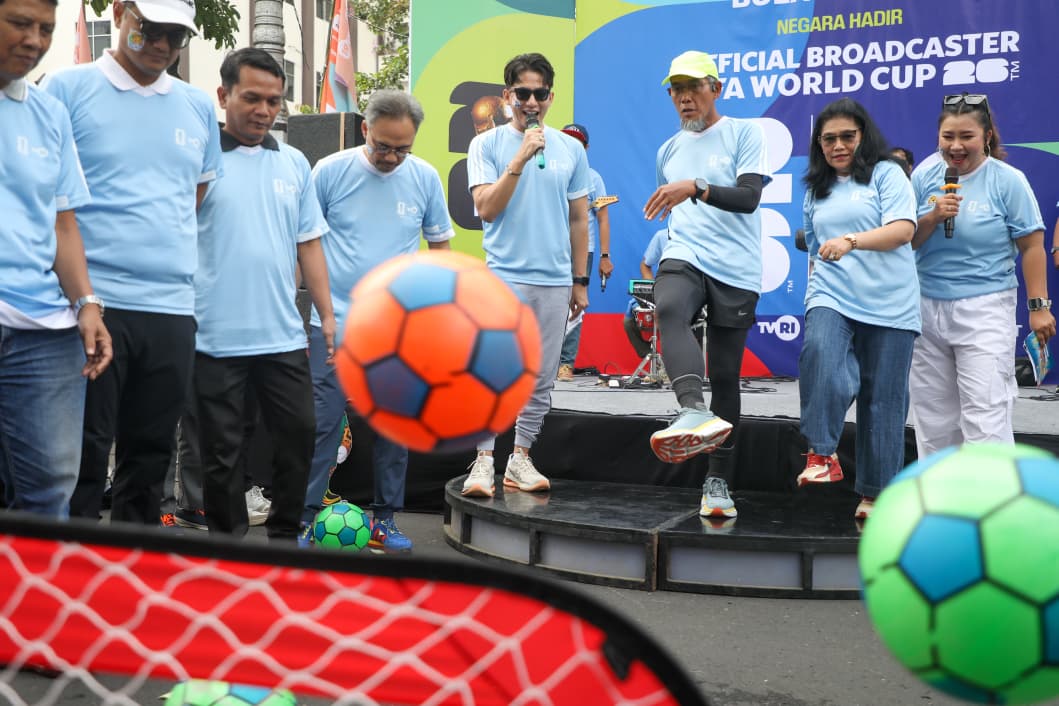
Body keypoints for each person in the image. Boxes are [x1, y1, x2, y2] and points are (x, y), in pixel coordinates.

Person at [43, 0, 223, 525]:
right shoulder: (66, 89)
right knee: (82, 452)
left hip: (170, 308)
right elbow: (50, 202)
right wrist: (83, 294)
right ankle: (68, 575)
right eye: (152, 30)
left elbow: (194, 192)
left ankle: (130, 579)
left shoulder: (194, 107)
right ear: (120, 12)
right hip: (90, 303)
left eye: (177, 36)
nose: (164, 45)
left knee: (150, 455)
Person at [188, 48, 333, 541]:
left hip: (283, 335)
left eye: (274, 101)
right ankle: (228, 552)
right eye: (252, 98)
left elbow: (309, 243)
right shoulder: (199, 159)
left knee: (298, 439)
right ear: (223, 95)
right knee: (223, 455)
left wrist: (328, 316)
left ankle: (283, 543)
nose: (264, 111)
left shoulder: (294, 162)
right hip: (212, 337)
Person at [307, 89, 454, 552]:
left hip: (396, 329)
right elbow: (306, 245)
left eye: (403, 149)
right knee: (323, 425)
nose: (392, 157)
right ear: (365, 128)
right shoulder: (330, 172)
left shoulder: (425, 178)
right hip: (330, 323)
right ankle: (307, 517)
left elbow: (440, 252)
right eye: (383, 146)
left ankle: (385, 520)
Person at [641, 50, 770, 519]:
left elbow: (750, 198)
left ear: (716, 89)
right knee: (669, 306)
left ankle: (718, 482)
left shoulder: (742, 132)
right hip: (686, 252)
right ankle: (691, 408)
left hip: (736, 267)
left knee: (727, 376)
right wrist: (684, 194)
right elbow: (673, 204)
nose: (684, 97)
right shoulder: (668, 149)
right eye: (676, 89)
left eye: (694, 87)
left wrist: (696, 186)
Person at [0, 0, 112, 518]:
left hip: (43, 329)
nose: (34, 40)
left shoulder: (49, 112)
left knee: (50, 491)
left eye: (45, 28)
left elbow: (62, 221)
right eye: (19, 23)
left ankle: (32, 599)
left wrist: (87, 303)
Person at [461, 52, 590, 499]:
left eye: (539, 93)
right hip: (502, 276)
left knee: (540, 375)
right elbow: (487, 209)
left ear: (550, 97)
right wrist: (519, 157)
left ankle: (520, 456)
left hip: (554, 281)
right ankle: (482, 460)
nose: (531, 101)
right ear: (506, 96)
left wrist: (580, 280)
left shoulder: (571, 149)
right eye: (522, 93)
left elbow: (579, 219)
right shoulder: (487, 145)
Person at [909, 92, 1055, 455]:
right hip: (926, 307)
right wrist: (931, 217)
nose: (956, 146)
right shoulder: (925, 174)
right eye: (948, 137)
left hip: (985, 306)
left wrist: (1039, 307)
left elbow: (1032, 246)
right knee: (933, 417)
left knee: (985, 411)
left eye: (966, 137)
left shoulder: (1007, 180)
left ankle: (989, 502)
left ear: (987, 135)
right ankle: (942, 499)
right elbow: (906, 240)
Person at [798, 98, 919, 521]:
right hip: (832, 293)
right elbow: (815, 246)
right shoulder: (815, 187)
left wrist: (851, 240)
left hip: (892, 303)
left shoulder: (888, 173)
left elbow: (904, 230)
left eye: (847, 136)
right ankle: (821, 453)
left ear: (862, 135)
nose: (838, 146)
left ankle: (875, 494)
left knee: (883, 401)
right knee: (821, 355)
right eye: (828, 139)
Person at [556, 123, 613, 381]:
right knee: (549, 303)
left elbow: (602, 218)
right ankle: (543, 361)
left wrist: (604, 255)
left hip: (583, 250)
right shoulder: (552, 172)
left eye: (577, 142)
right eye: (566, 140)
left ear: (586, 148)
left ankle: (566, 363)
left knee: (575, 305)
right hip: (551, 248)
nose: (571, 146)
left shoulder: (594, 178)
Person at [623, 229, 669, 360]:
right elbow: (645, 265)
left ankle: (688, 368)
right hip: (664, 291)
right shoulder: (662, 236)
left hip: (692, 294)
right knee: (629, 320)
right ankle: (657, 363)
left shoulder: (700, 235)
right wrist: (651, 291)